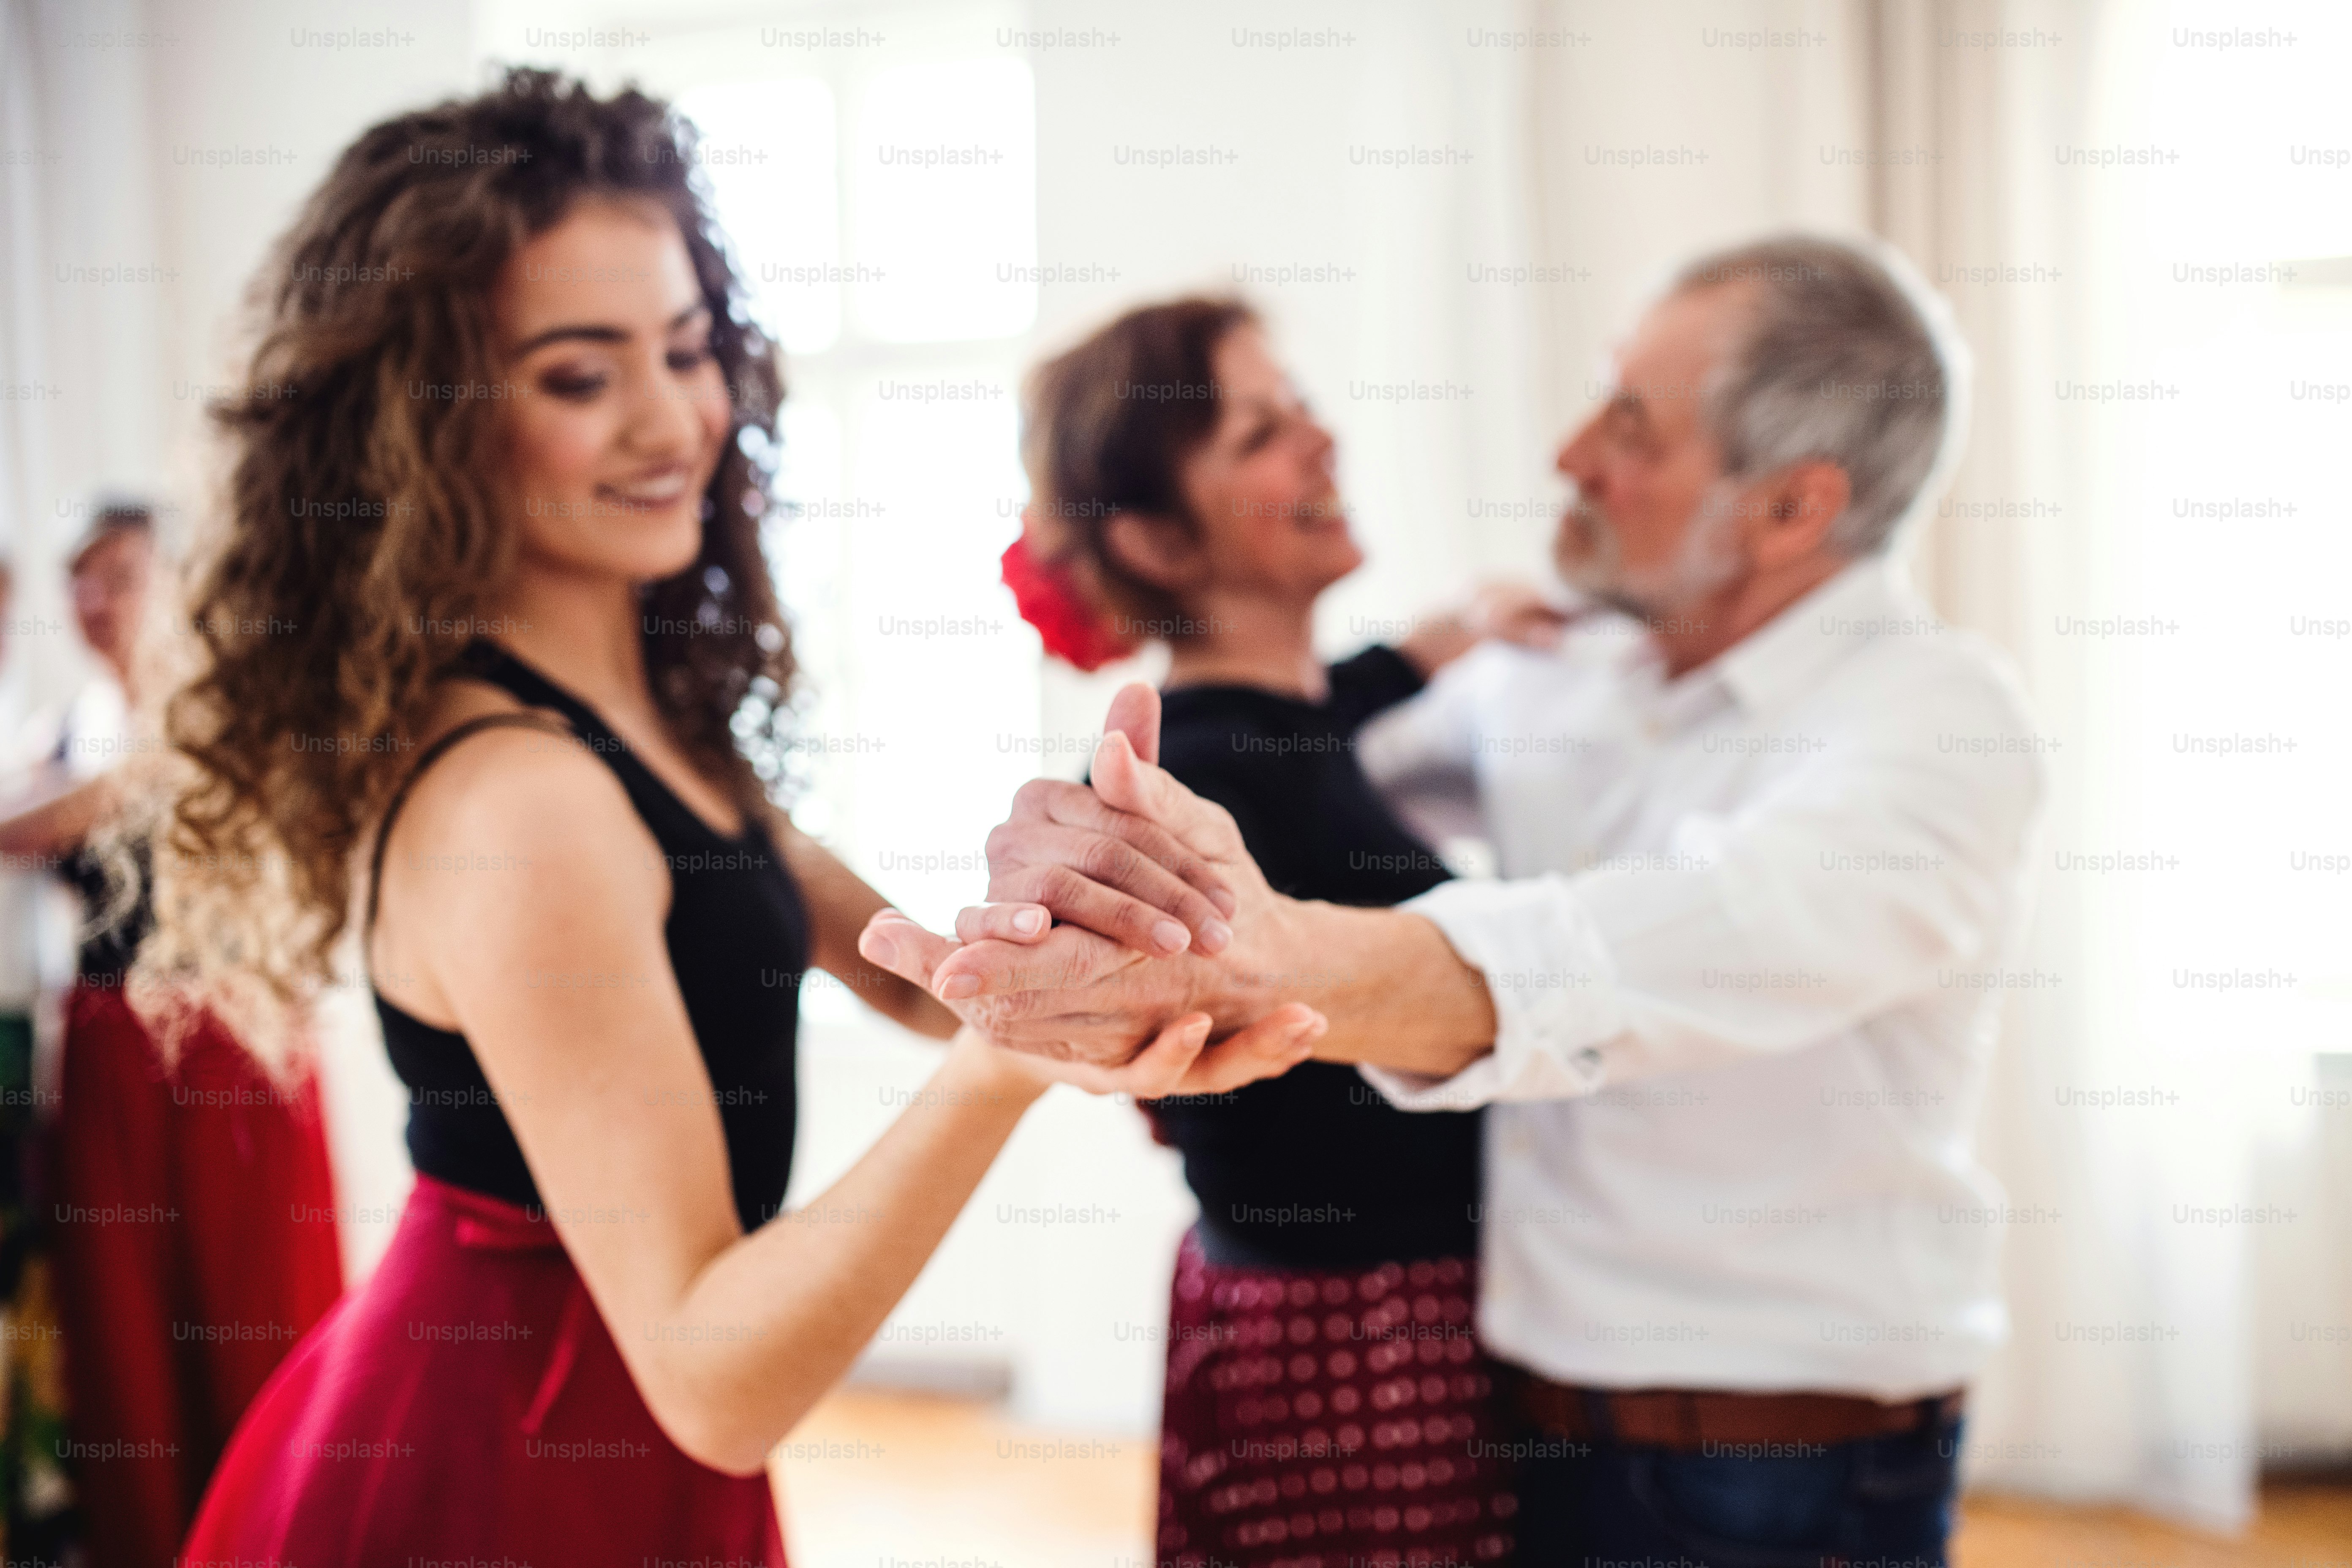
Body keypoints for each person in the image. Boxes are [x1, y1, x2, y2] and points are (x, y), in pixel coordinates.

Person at [149, 71, 1315, 1563]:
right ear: (423, 425)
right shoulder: (524, 798)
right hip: (509, 1458)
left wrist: (1099, 935)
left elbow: (906, 977)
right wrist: (1003, 1067)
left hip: (585, 1430)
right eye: (580, 375)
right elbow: (716, 1381)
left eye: (688, 349)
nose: (671, 420)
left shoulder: (640, 723)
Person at [861, 235, 2045, 1568]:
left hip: (1775, 1462)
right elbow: (1294, 765)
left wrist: (1263, 956)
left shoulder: (1935, 731)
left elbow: (1623, 945)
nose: (1568, 457)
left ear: (1790, 510)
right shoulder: (1563, 671)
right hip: (1508, 1407)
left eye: (1632, 427)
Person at [1004, 296, 1565, 1566]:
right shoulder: (1197, 780)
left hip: (1357, 1309)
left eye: (1302, 405)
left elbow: (1330, 709)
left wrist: (1454, 631)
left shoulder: (1285, 728)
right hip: (1343, 1337)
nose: (1322, 442)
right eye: (1262, 431)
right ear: (1154, 535)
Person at [0, 506, 344, 1568]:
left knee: (257, 1310)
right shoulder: (69, 731)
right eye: (82, 582)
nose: (97, 602)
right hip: (108, 1053)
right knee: (125, 1322)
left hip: (231, 1042)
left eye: (122, 576)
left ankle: (282, 1533)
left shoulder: (235, 716)